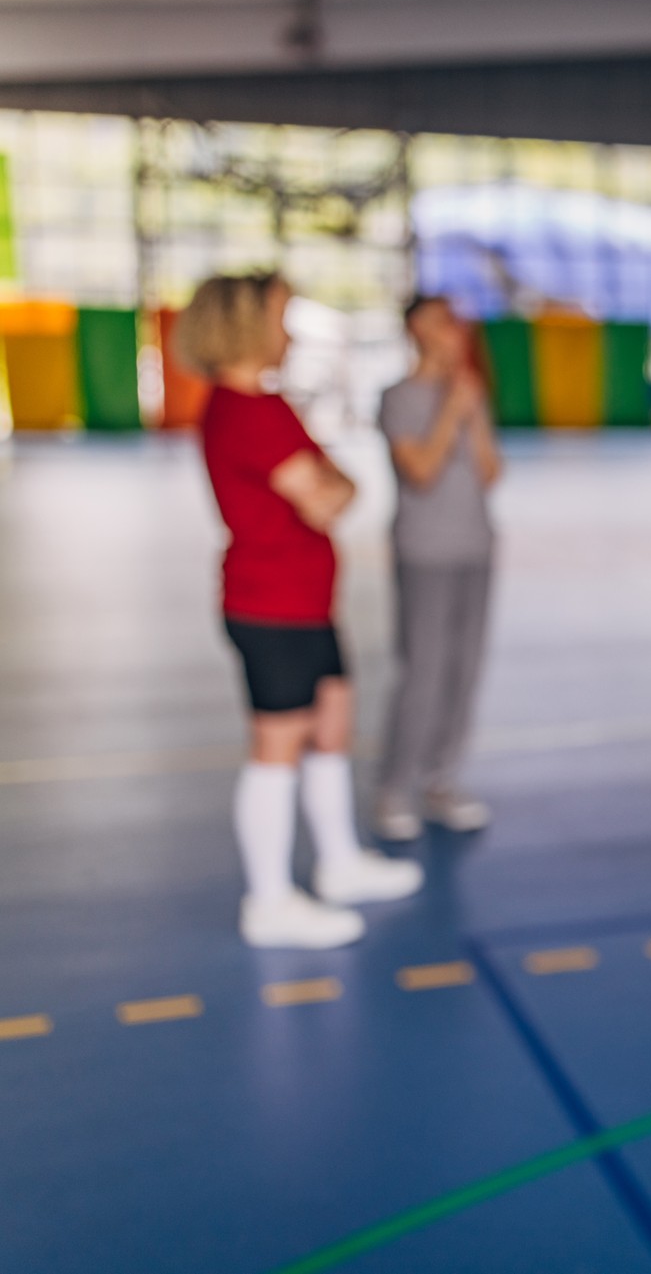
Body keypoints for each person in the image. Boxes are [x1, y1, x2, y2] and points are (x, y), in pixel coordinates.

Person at [180, 272, 424, 951]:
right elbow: (328, 497)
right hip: (270, 606)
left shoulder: (267, 406)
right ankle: (270, 899)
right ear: (246, 326)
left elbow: (334, 485)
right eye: (279, 318)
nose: (286, 333)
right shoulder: (249, 413)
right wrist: (329, 482)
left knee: (331, 727)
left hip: (307, 604)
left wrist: (329, 481)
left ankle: (340, 862)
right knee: (277, 747)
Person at [372, 295, 501, 841]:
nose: (450, 330)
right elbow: (421, 470)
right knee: (422, 671)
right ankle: (393, 787)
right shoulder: (398, 398)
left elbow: (491, 472)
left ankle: (441, 777)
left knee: (463, 669)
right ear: (414, 330)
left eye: (454, 320)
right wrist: (451, 411)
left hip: (476, 547)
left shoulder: (469, 393)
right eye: (438, 320)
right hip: (425, 551)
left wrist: (471, 411)